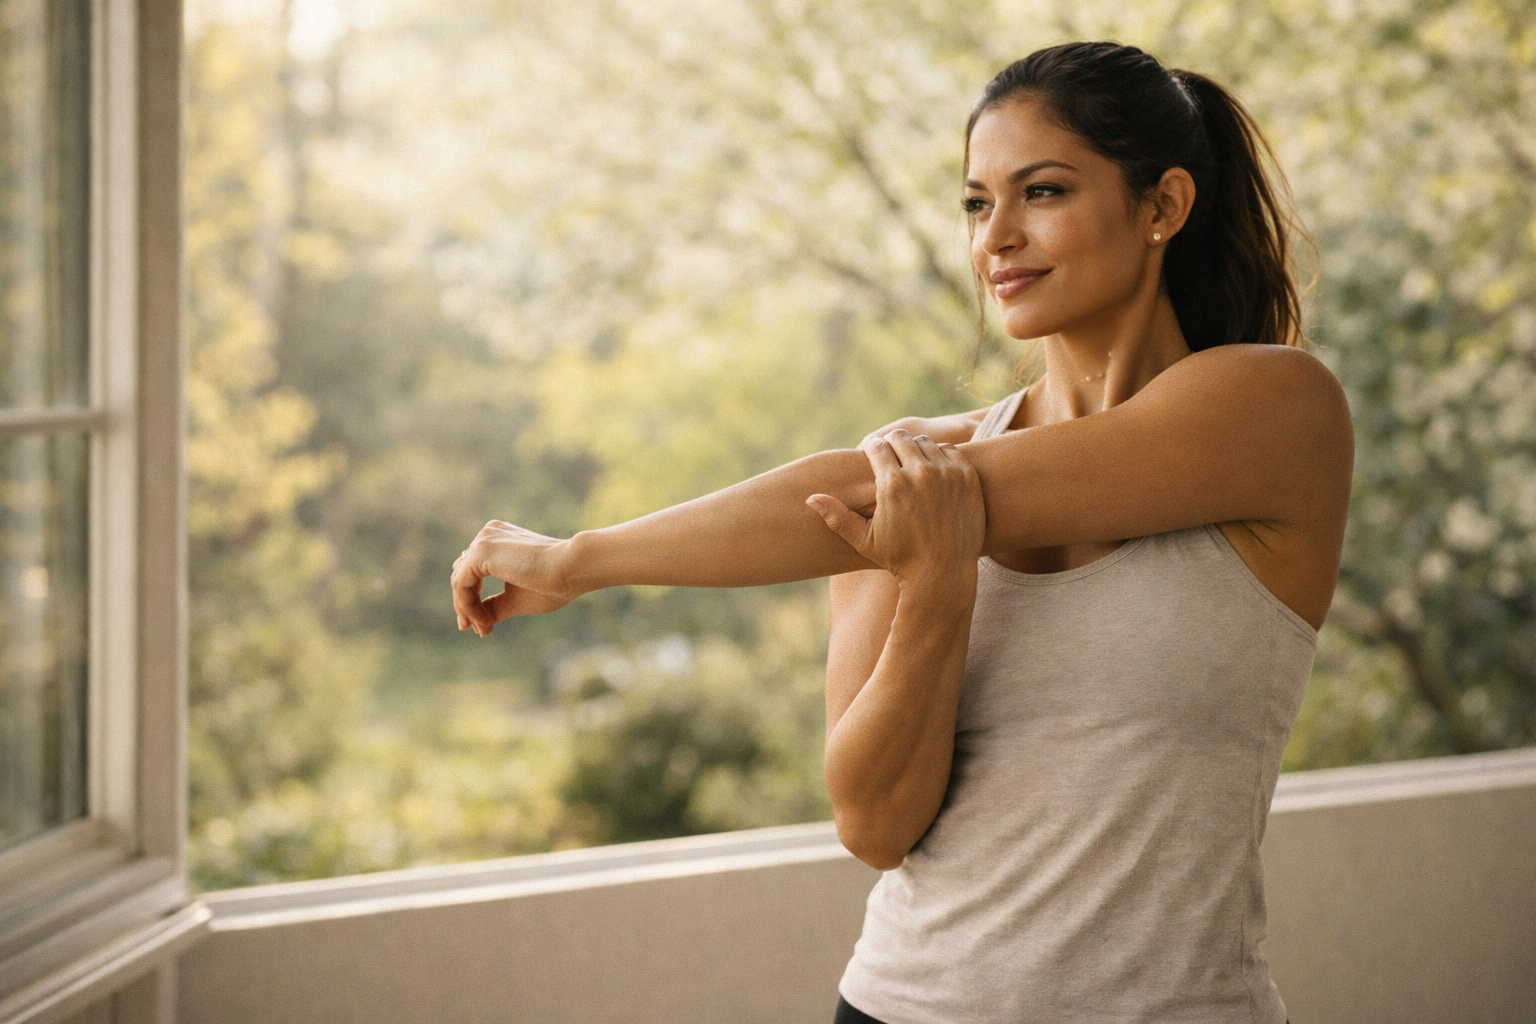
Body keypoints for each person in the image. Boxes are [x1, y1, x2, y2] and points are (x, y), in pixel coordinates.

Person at [451, 41, 1351, 1024]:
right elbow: (876, 824)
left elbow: (894, 498)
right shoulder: (908, 469)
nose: (995, 237)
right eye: (976, 202)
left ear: (1162, 207)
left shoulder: (1272, 411)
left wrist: (579, 560)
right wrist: (935, 594)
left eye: (1041, 192)